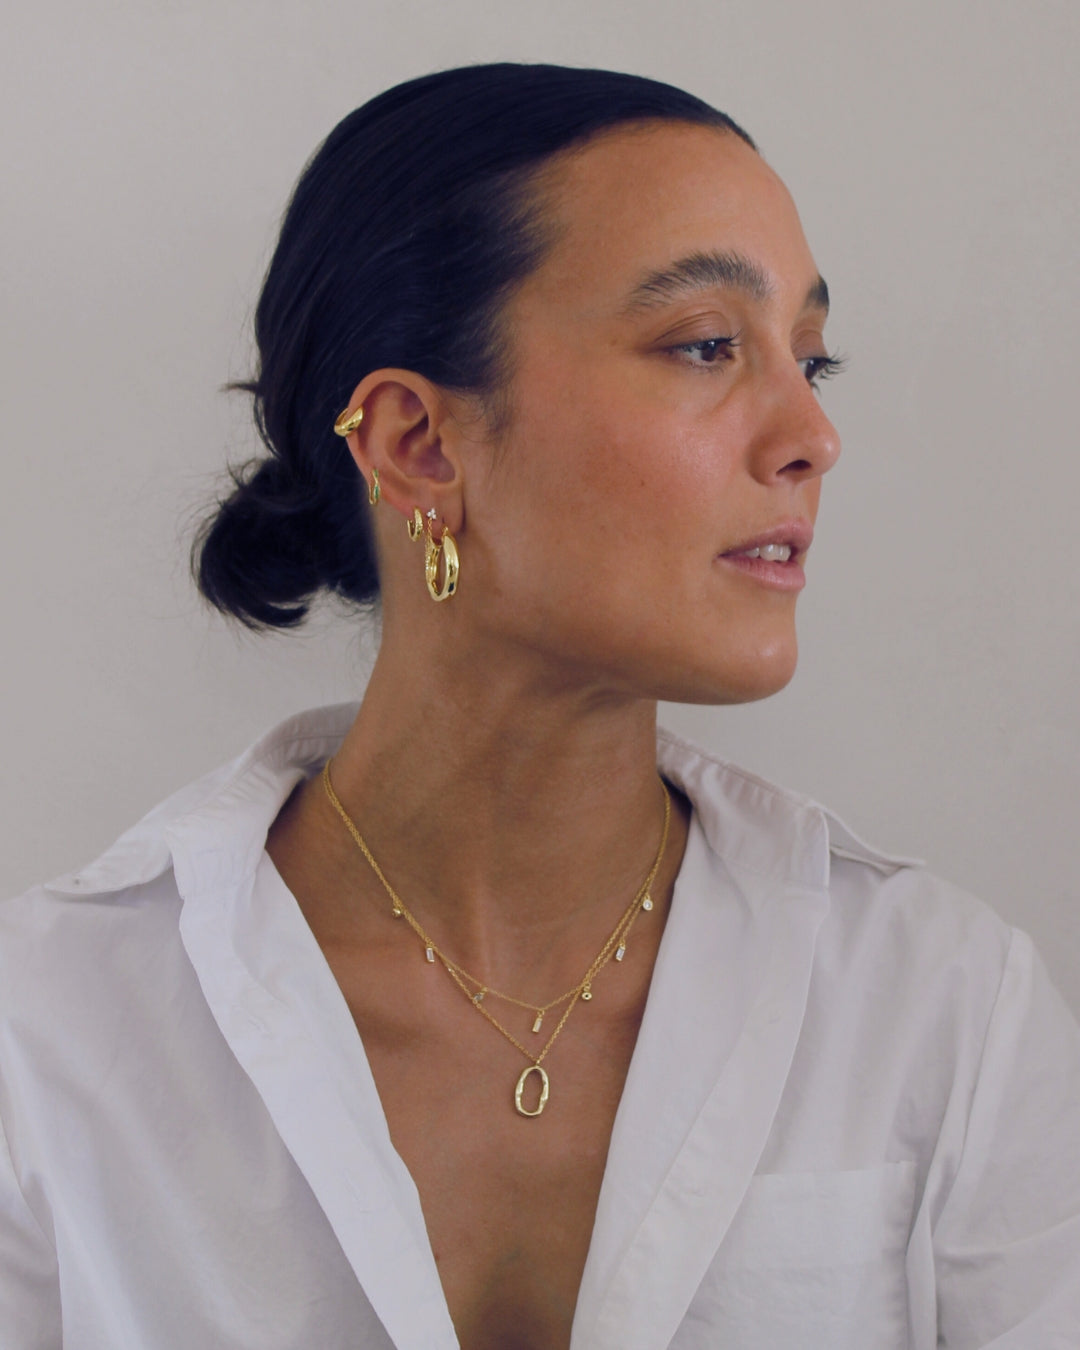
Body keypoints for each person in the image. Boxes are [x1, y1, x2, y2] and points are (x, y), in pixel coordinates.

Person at [1, 63, 1078, 1350]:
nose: (810, 435)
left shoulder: (939, 1006)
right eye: (705, 346)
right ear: (418, 445)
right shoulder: (50, 1038)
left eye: (812, 356)